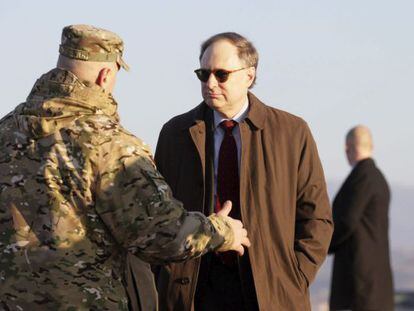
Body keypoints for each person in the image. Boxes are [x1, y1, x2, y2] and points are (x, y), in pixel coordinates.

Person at [0, 25, 250, 311]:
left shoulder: (6, 131)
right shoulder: (111, 145)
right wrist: (222, 231)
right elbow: (160, 234)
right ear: (106, 74)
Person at [154, 32, 333, 311]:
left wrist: (295, 276)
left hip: (269, 289)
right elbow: (157, 215)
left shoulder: (292, 132)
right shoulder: (175, 133)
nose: (210, 83)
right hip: (195, 286)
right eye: (203, 74)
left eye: (221, 74)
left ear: (249, 76)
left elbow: (317, 217)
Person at [329, 125, 394, 311]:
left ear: (348, 147)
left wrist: (323, 242)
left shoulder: (361, 177)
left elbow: (346, 220)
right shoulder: (379, 179)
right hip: (376, 282)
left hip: (359, 283)